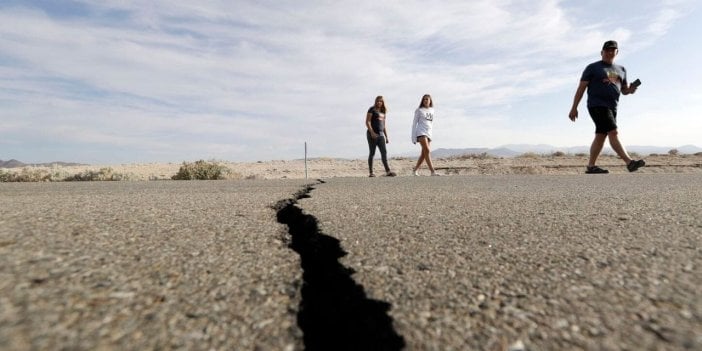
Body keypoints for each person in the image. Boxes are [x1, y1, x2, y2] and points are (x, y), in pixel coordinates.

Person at [569, 40, 645, 174]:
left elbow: (625, 91)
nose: (610, 52)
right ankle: (629, 162)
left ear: (617, 52)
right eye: (607, 50)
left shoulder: (622, 70)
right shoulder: (592, 68)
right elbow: (581, 88)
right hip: (597, 105)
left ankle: (591, 167)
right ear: (602, 52)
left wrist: (632, 89)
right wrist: (574, 107)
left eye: (613, 50)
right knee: (613, 132)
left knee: (601, 136)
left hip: (612, 107)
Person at [365, 96, 396, 177]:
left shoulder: (383, 112)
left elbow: (384, 125)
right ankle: (371, 172)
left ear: (383, 102)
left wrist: (386, 137)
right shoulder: (372, 109)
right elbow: (367, 122)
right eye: (378, 101)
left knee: (384, 152)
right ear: (376, 101)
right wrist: (372, 132)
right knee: (372, 153)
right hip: (372, 134)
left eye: (381, 101)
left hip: (381, 135)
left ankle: (388, 171)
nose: (379, 102)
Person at [411, 94, 439, 176]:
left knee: (424, 154)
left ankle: (415, 170)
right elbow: (414, 124)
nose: (426, 101)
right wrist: (413, 137)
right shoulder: (419, 110)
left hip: (428, 133)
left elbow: (431, 123)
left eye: (427, 99)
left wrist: (430, 134)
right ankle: (432, 171)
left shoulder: (432, 110)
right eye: (424, 99)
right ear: (422, 101)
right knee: (427, 150)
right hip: (420, 132)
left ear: (430, 101)